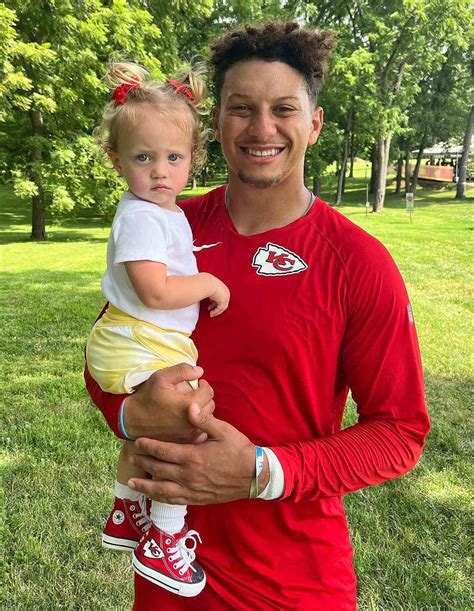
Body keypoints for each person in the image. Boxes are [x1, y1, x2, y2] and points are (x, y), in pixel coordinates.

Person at [85, 21, 430, 610]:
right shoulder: (166, 224)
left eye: (284, 109)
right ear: (214, 125)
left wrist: (261, 471)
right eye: (241, 108)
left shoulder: (357, 261)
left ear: (314, 124)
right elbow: (114, 345)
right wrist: (129, 414)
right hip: (170, 568)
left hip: (291, 578)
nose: (262, 127)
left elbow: (400, 432)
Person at [85, 61, 230, 597]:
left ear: (193, 159)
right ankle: (164, 539)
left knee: (158, 425)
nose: (160, 171)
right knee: (186, 422)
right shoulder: (144, 215)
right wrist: (209, 282)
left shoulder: (163, 210)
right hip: (139, 334)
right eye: (144, 158)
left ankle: (127, 510)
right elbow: (155, 291)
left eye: (174, 157)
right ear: (117, 159)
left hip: (137, 336)